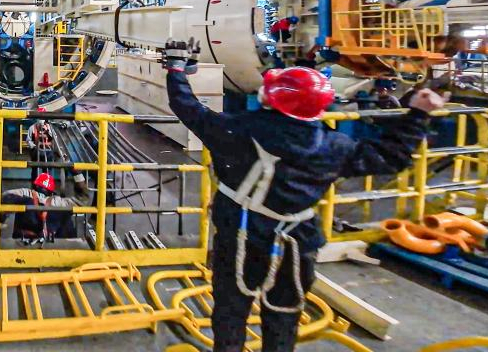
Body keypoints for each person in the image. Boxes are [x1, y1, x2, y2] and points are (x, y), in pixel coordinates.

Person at [162, 37, 448, 352]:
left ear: (269, 98)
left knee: (231, 310)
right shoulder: (334, 147)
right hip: (298, 241)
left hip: (242, 235)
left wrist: (177, 70)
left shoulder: (237, 130)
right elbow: (392, 156)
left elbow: (188, 108)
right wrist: (418, 115)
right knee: (284, 313)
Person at [0, 172, 90, 242]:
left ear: (35, 186)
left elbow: (5, 197)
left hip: (21, 240)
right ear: (51, 192)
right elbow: (82, 201)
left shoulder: (25, 193)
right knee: (65, 214)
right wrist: (77, 174)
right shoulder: (58, 201)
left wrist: (2, 219)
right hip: (52, 242)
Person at [27, 107, 59, 180]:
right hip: (36, 151)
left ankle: (47, 183)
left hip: (48, 151)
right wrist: (34, 147)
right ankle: (35, 184)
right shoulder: (32, 128)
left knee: (47, 169)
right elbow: (28, 140)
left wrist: (47, 132)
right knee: (35, 169)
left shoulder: (49, 127)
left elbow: (55, 137)